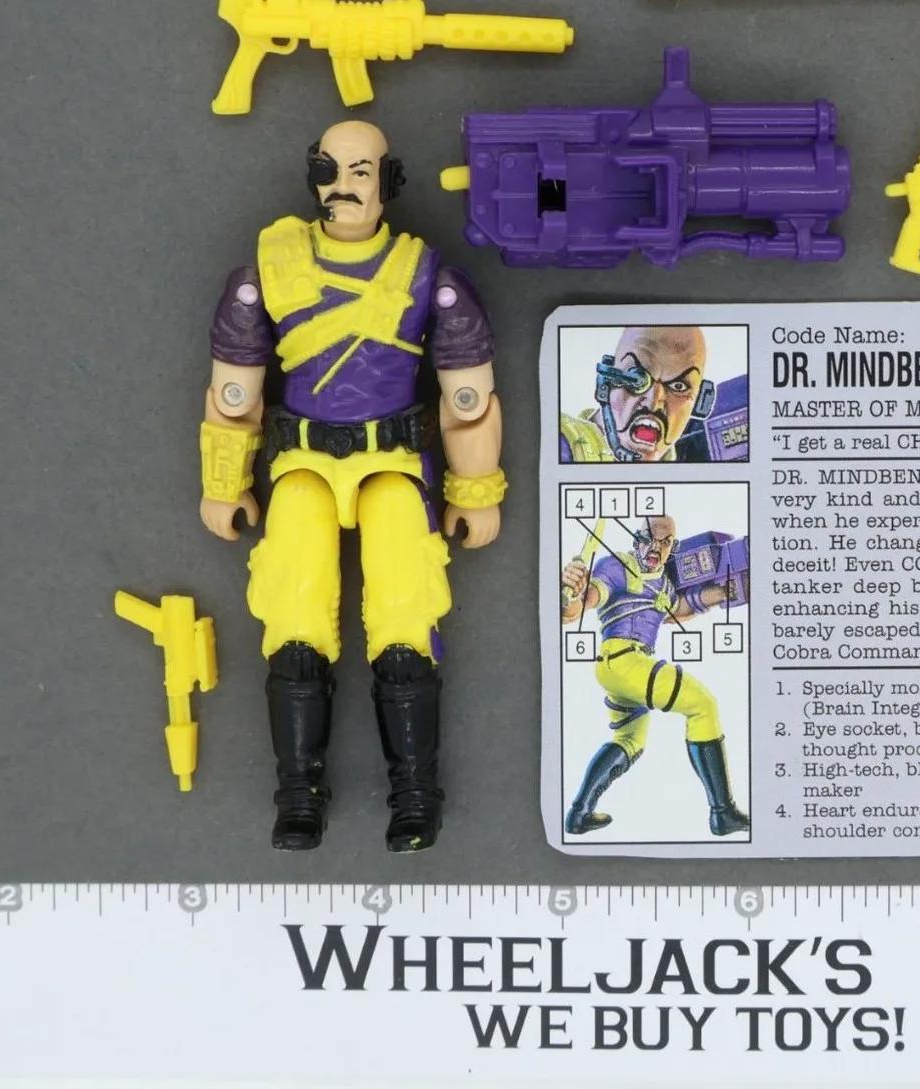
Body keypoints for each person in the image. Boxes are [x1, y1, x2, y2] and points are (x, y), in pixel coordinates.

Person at [198, 120, 505, 852]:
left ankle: (416, 795)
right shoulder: (269, 273)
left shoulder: (427, 278)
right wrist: (224, 483)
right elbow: (234, 396)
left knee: (405, 616)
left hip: (392, 463)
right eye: (330, 171)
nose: (344, 187)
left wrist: (475, 489)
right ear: (313, 177)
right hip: (302, 464)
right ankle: (298, 794)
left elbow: (467, 399)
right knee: (294, 613)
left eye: (361, 172)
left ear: (387, 181)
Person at [561, 516, 748, 836]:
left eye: (666, 543)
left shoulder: (663, 582)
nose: (657, 548)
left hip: (623, 669)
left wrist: (720, 593)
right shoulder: (617, 566)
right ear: (636, 538)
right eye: (650, 538)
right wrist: (570, 595)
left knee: (630, 741)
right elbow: (582, 604)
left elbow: (678, 608)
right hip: (623, 661)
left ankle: (579, 814)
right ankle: (723, 812)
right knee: (703, 706)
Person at [559, 325, 712, 462]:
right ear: (605, 383)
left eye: (678, 386)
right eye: (637, 377)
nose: (653, 403)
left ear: (699, 402)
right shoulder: (564, 443)